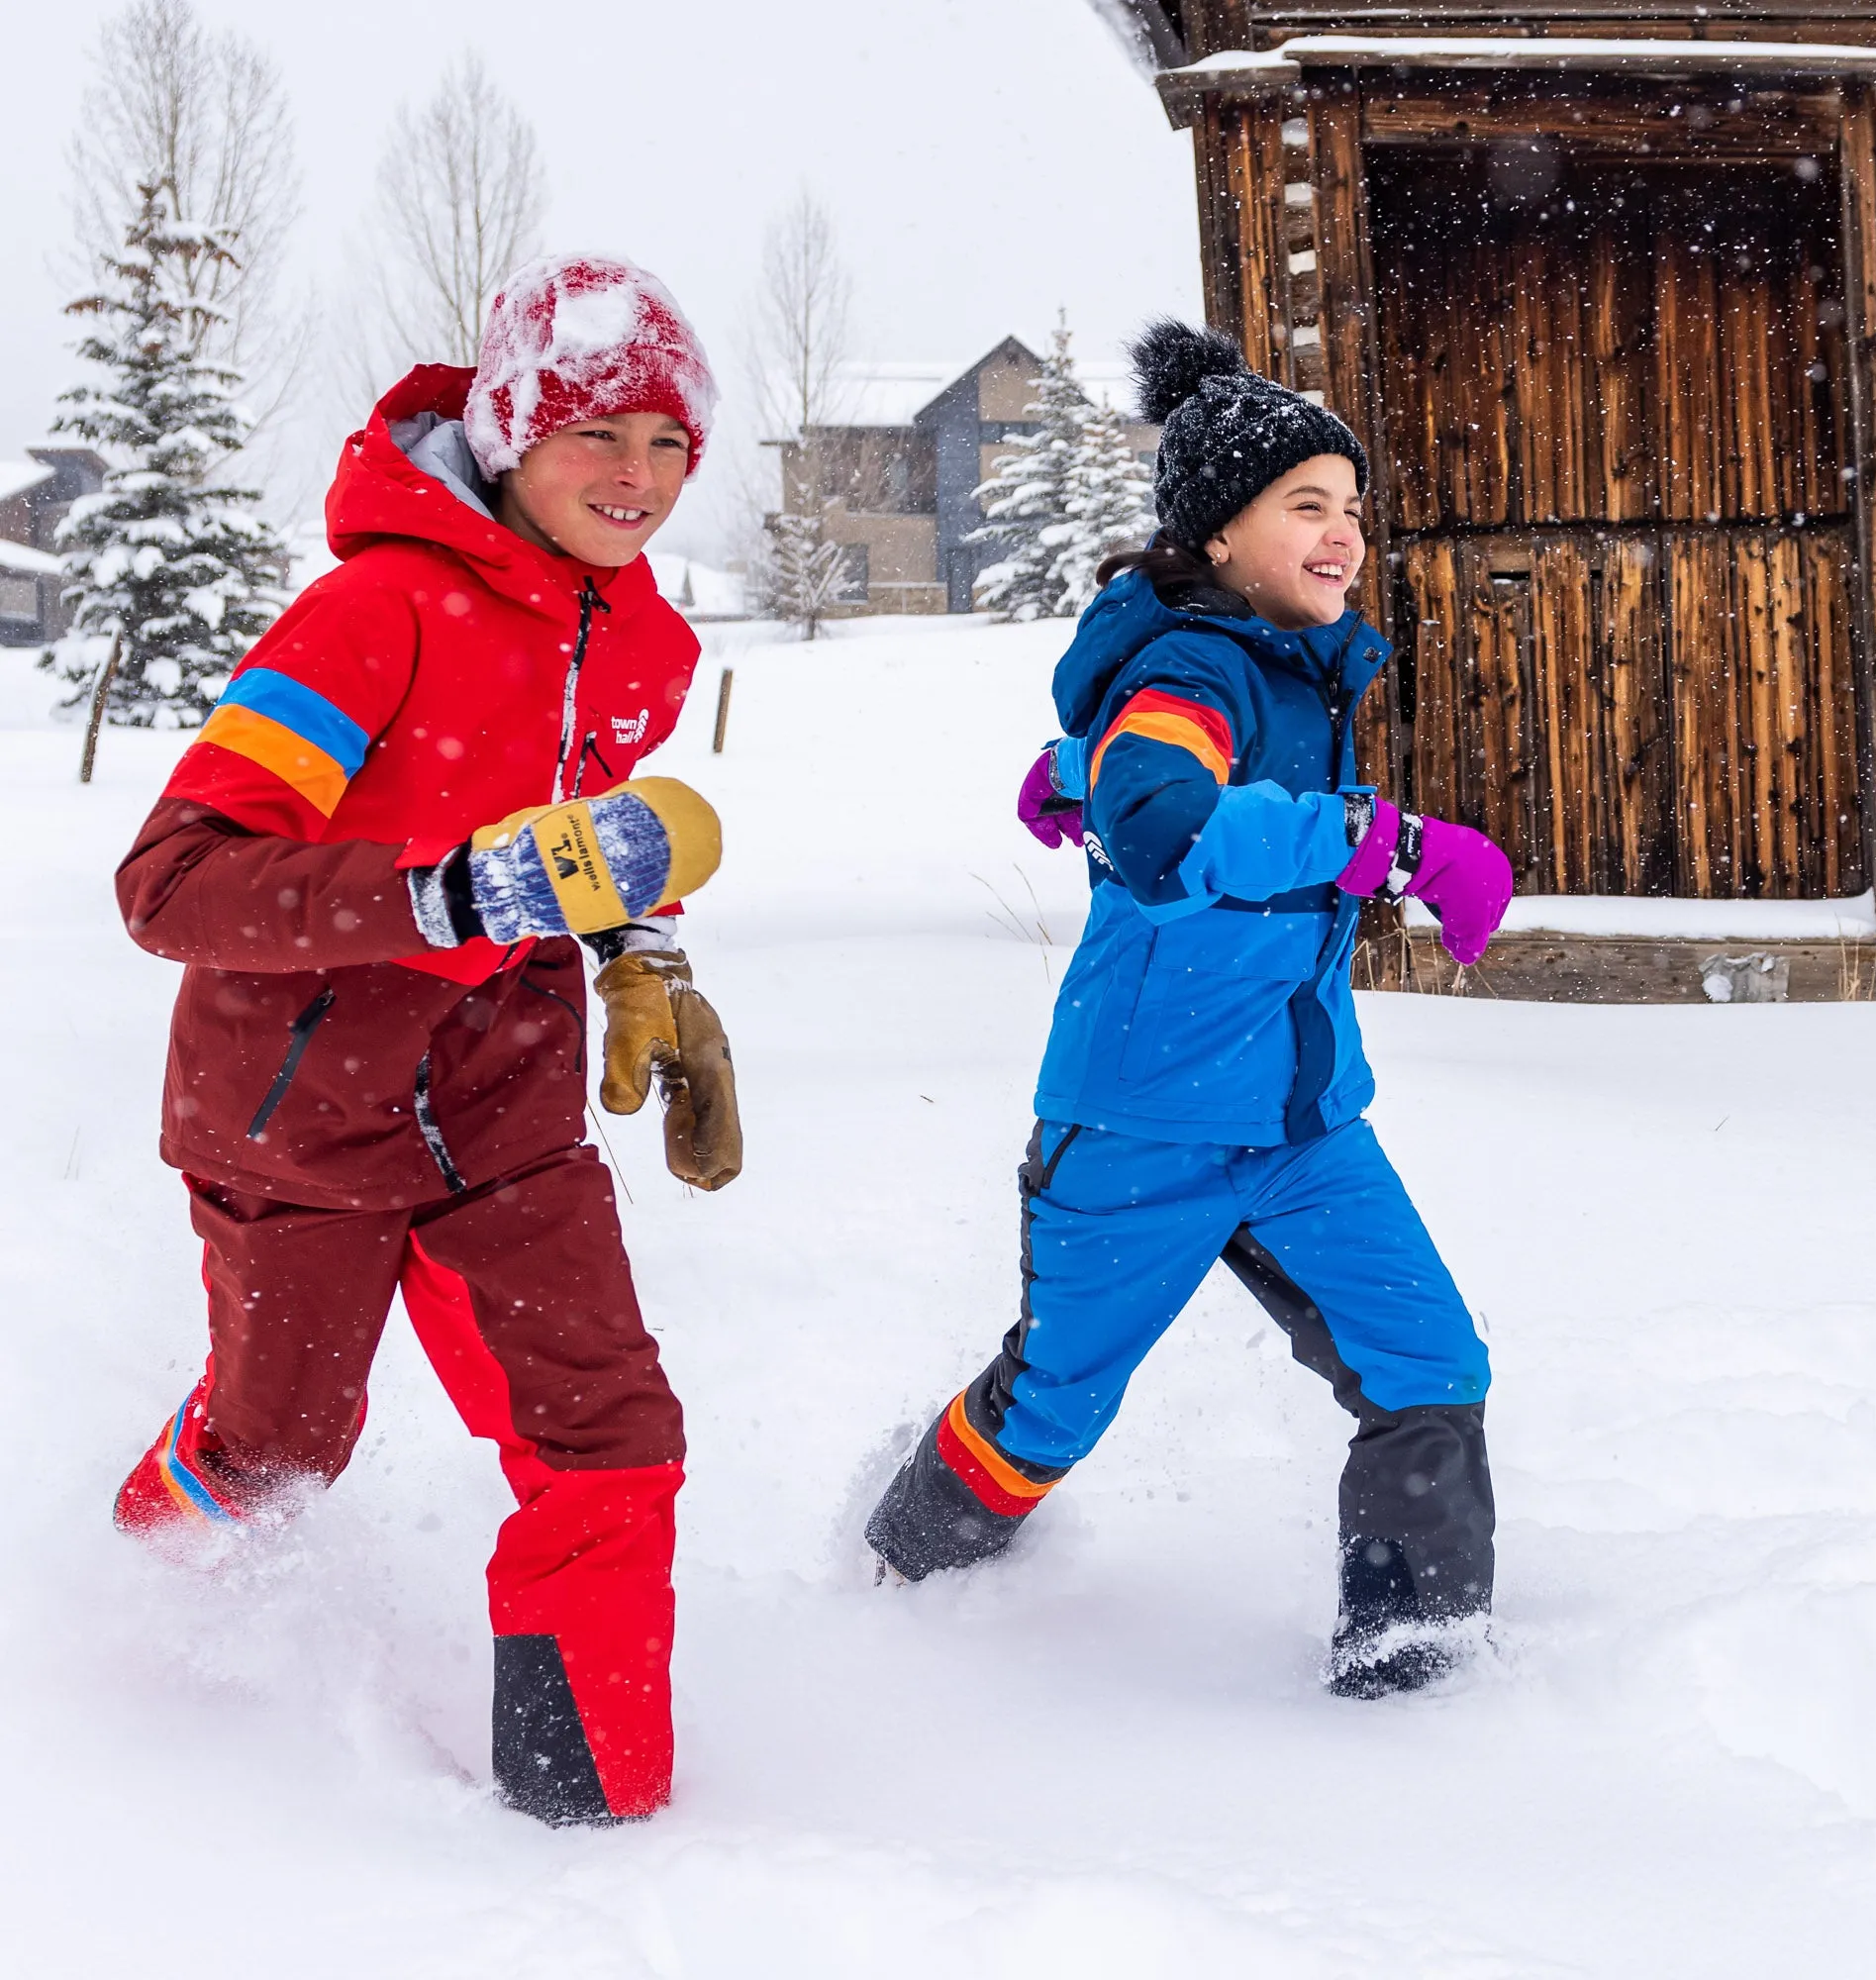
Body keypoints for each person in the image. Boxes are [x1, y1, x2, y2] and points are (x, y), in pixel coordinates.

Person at [109, 253, 741, 1823]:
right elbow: (170, 882)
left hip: (507, 1103)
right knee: (280, 1453)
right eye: (600, 435)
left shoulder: (645, 645)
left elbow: (580, 849)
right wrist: (453, 892)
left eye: (670, 445)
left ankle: (591, 1802)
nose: (636, 478)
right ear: (516, 430)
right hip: (296, 1108)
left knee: (609, 1432)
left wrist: (644, 958)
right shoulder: (372, 615)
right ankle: (125, 1638)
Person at [865, 321, 1515, 1697]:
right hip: (1141, 1124)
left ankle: (1416, 1672)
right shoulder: (1198, 668)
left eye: (1350, 507)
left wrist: (1076, 762)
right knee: (1051, 1410)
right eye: (1305, 507)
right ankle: (891, 1582)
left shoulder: (1286, 663)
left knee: (1428, 1360)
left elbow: (1152, 775)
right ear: (1220, 535)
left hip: (1301, 1124)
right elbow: (1166, 818)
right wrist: (1388, 843)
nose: (1342, 534)